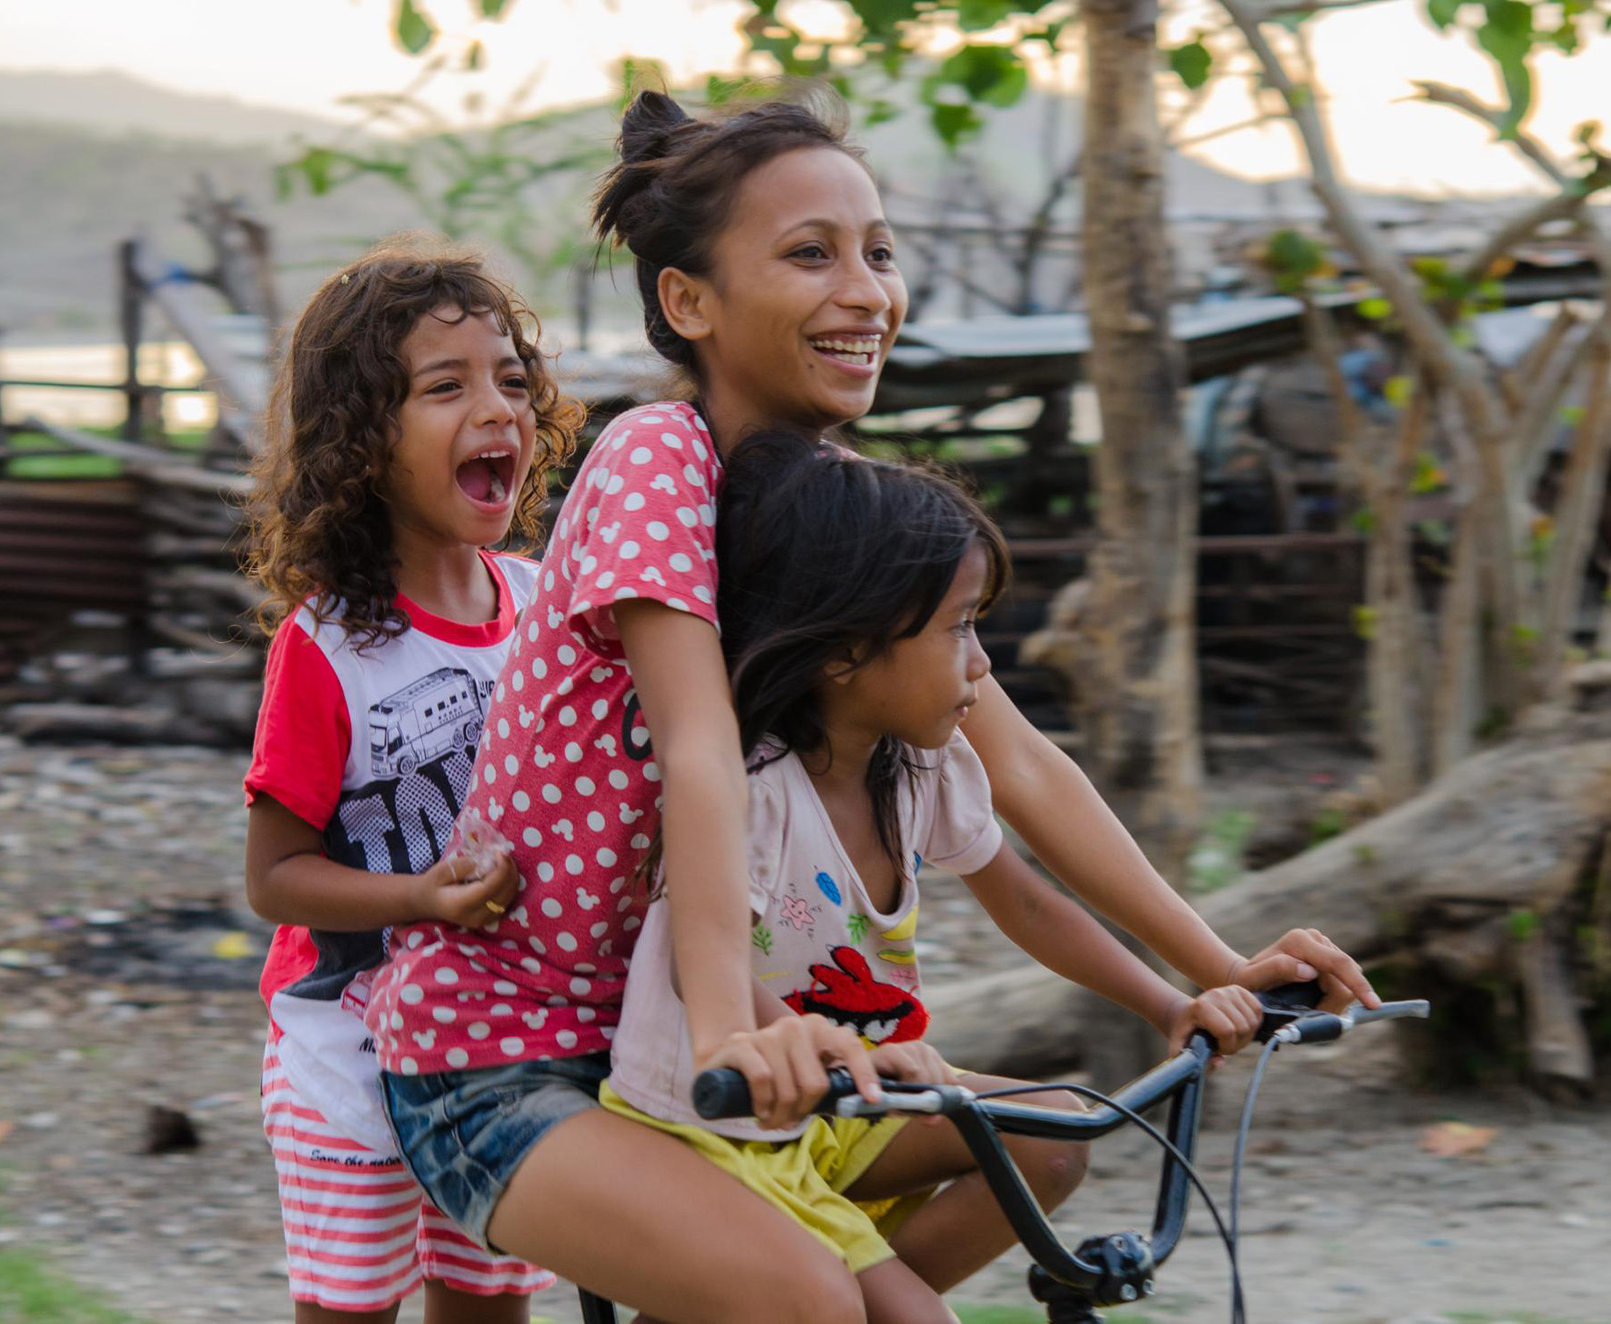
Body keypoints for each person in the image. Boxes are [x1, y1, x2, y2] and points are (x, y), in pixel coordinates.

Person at [363, 90, 1377, 1324]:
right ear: (688, 302)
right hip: (510, 1054)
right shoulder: (656, 461)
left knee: (1036, 1147)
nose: (866, 291)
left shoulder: (836, 500)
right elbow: (694, 748)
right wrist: (734, 1027)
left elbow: (1020, 763)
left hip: (695, 1038)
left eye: (878, 252)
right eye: (809, 254)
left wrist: (1218, 965)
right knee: (810, 1304)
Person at [602, 430, 1271, 1323]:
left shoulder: (922, 766)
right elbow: (699, 966)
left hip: (851, 1103)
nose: (983, 663)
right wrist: (840, 1050)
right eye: (958, 628)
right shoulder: (754, 793)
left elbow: (1029, 902)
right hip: (722, 1126)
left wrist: (1170, 1003)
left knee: (1054, 1137)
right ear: (844, 653)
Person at [241, 238, 582, 1323]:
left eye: (512, 382)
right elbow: (277, 878)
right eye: (446, 387)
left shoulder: (544, 608)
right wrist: (416, 896)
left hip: (501, 1055)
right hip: (346, 1061)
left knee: (488, 1308)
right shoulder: (329, 646)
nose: (497, 410)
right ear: (363, 441)